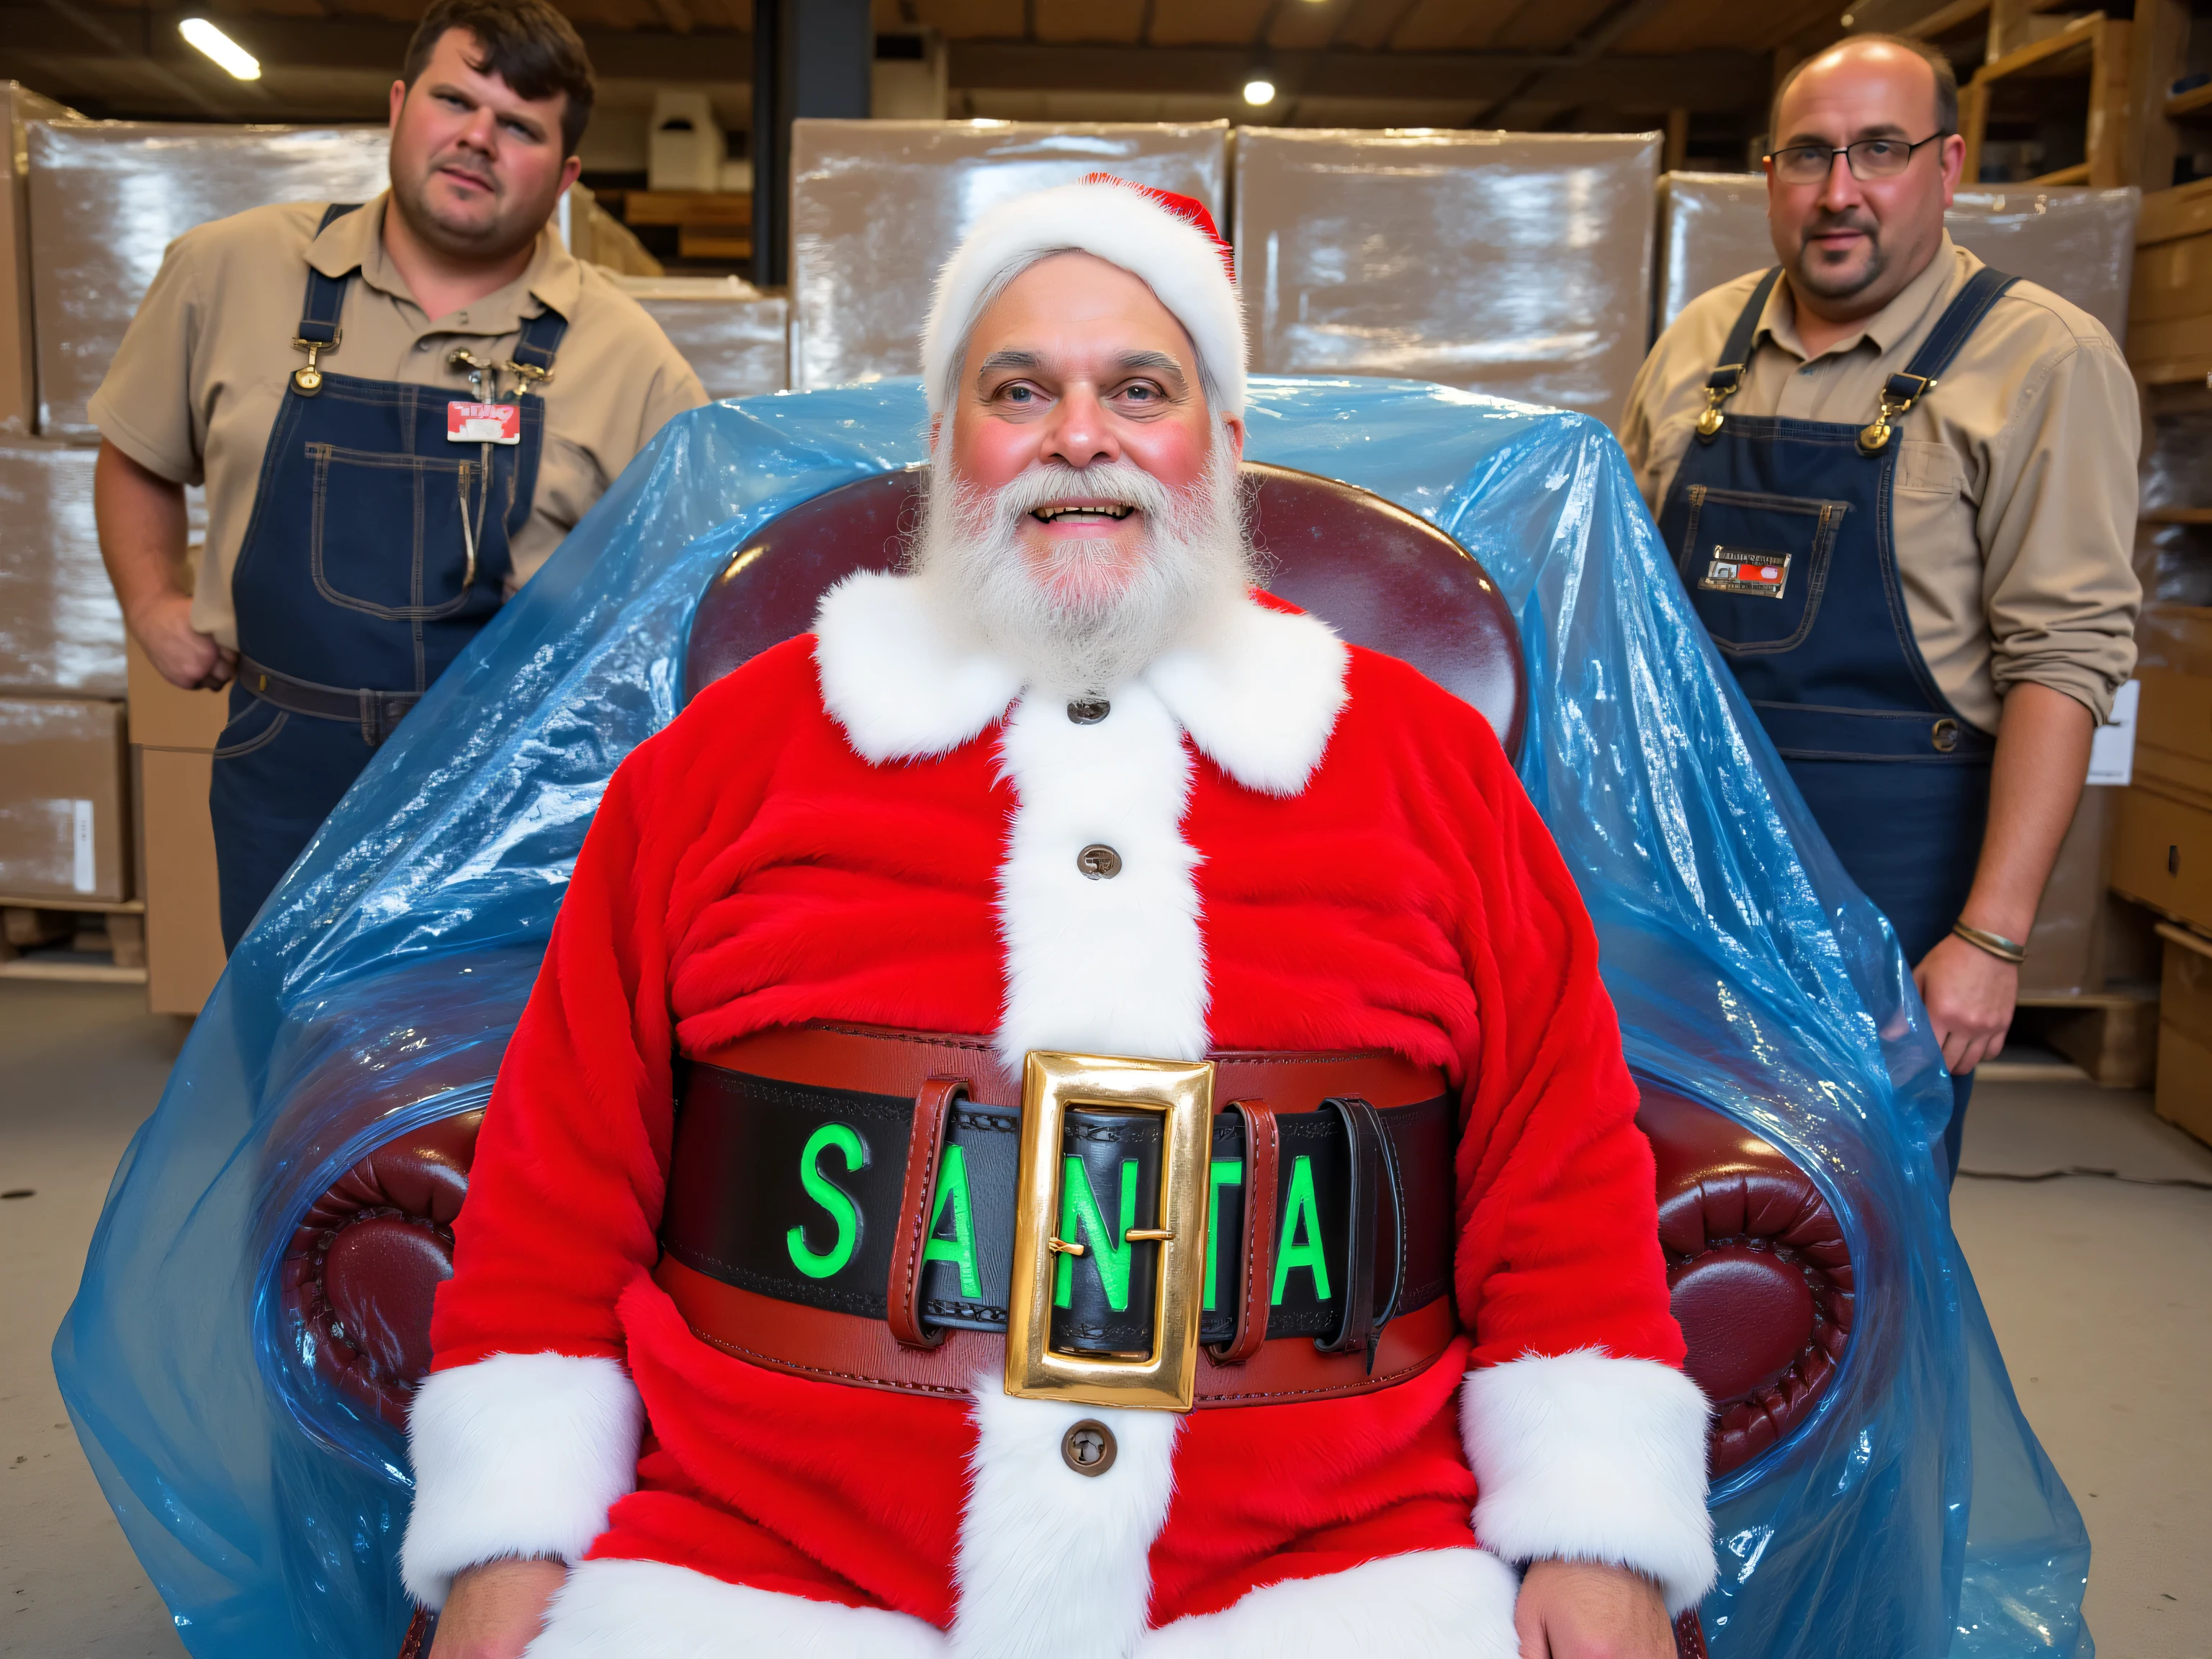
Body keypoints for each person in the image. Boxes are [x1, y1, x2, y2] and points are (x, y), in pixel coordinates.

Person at [400, 176, 1714, 1659]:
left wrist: (1597, 1534)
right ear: (947, 446)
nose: (1077, 436)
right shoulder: (715, 767)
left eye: (1136, 389)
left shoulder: (1427, 769)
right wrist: (512, 1534)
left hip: (1328, 1576)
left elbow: (1565, 1182)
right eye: (1019, 388)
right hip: (765, 1572)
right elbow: (557, 1184)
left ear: (1222, 443)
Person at [1620, 35, 2140, 1182]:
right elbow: (1622, 614)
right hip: (1692, 857)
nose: (1839, 189)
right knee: (1668, 1195)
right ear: (1770, 175)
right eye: (1808, 155)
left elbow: (2064, 662)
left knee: (1859, 1223)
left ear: (1948, 167)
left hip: (1899, 874)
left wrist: (1990, 939)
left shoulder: (2042, 360)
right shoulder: (1701, 343)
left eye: (1880, 151)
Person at [91, 0, 706, 951]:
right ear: (397, 105)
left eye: (519, 126)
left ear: (567, 174)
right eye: (454, 99)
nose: (475, 138)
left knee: (477, 1086)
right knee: (291, 1073)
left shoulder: (631, 361)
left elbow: (684, 594)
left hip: (503, 794)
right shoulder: (231, 271)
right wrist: (150, 603)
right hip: (284, 771)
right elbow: (138, 449)